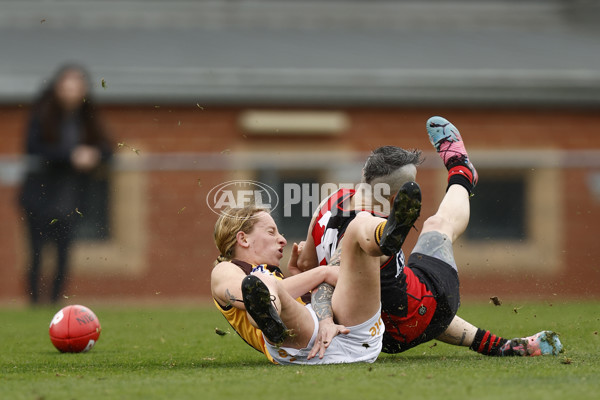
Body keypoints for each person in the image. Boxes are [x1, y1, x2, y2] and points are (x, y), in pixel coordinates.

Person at [296, 117, 563, 359]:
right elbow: (329, 278)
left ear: (365, 177)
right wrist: (325, 320)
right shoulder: (367, 228)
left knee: (408, 289)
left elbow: (308, 266)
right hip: (406, 318)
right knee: (437, 225)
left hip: (378, 329)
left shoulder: (328, 204)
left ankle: (500, 346)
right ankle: (461, 172)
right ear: (396, 199)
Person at [210, 188, 420, 365]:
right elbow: (249, 295)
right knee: (260, 285)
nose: (282, 239)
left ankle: (385, 234)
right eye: (271, 232)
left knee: (358, 223)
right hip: (299, 346)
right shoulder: (225, 270)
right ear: (243, 239)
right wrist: (321, 272)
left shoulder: (281, 276)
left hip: (354, 337)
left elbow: (347, 281)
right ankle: (271, 322)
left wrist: (308, 280)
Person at [19, 64, 113, 304]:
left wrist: (93, 155)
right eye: (67, 85)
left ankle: (54, 301)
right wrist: (70, 155)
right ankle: (34, 303)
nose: (72, 91)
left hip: (70, 198)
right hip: (39, 196)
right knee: (37, 252)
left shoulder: (87, 118)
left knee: (63, 254)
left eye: (77, 86)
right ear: (57, 87)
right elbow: (33, 148)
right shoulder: (42, 114)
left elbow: (108, 148)